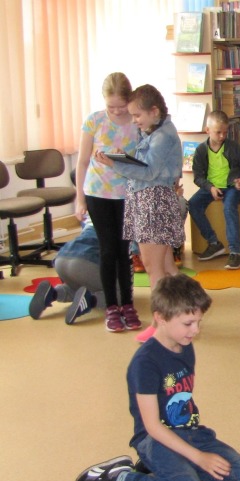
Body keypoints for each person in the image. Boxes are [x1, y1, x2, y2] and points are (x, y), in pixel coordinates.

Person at [73, 274, 240, 481]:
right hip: (154, 439)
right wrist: (199, 457)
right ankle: (120, 478)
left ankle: (168, 465)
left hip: (188, 432)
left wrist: (196, 452)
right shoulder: (145, 363)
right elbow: (152, 427)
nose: (196, 330)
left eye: (198, 322)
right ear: (160, 318)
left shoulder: (185, 345)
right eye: (188, 323)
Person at [95, 84, 184, 343]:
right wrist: (122, 158)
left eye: (137, 115)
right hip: (149, 200)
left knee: (153, 268)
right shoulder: (154, 129)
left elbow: (149, 172)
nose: (134, 120)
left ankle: (160, 325)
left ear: (154, 111)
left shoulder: (162, 135)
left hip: (153, 203)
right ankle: (187, 311)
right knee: (166, 266)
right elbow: (145, 163)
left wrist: (116, 165)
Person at [74, 72, 140, 333]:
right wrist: (79, 199)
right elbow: (82, 163)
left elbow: (143, 162)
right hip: (97, 193)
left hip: (126, 194)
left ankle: (128, 304)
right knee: (107, 250)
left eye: (120, 106)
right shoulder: (94, 121)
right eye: (110, 106)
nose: (116, 111)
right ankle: (112, 306)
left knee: (125, 251)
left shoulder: (137, 122)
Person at [187, 110, 240, 270]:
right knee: (193, 204)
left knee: (229, 207)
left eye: (225, 132)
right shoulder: (201, 150)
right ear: (207, 130)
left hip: (232, 187)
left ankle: (235, 252)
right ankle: (214, 242)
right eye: (218, 132)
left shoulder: (233, 147)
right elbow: (198, 177)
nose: (222, 136)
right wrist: (210, 187)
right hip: (211, 187)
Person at [28, 218, 105, 325]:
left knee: (78, 287)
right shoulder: (125, 221)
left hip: (61, 259)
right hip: (84, 264)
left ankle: (54, 293)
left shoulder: (92, 217)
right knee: (122, 293)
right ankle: (90, 300)